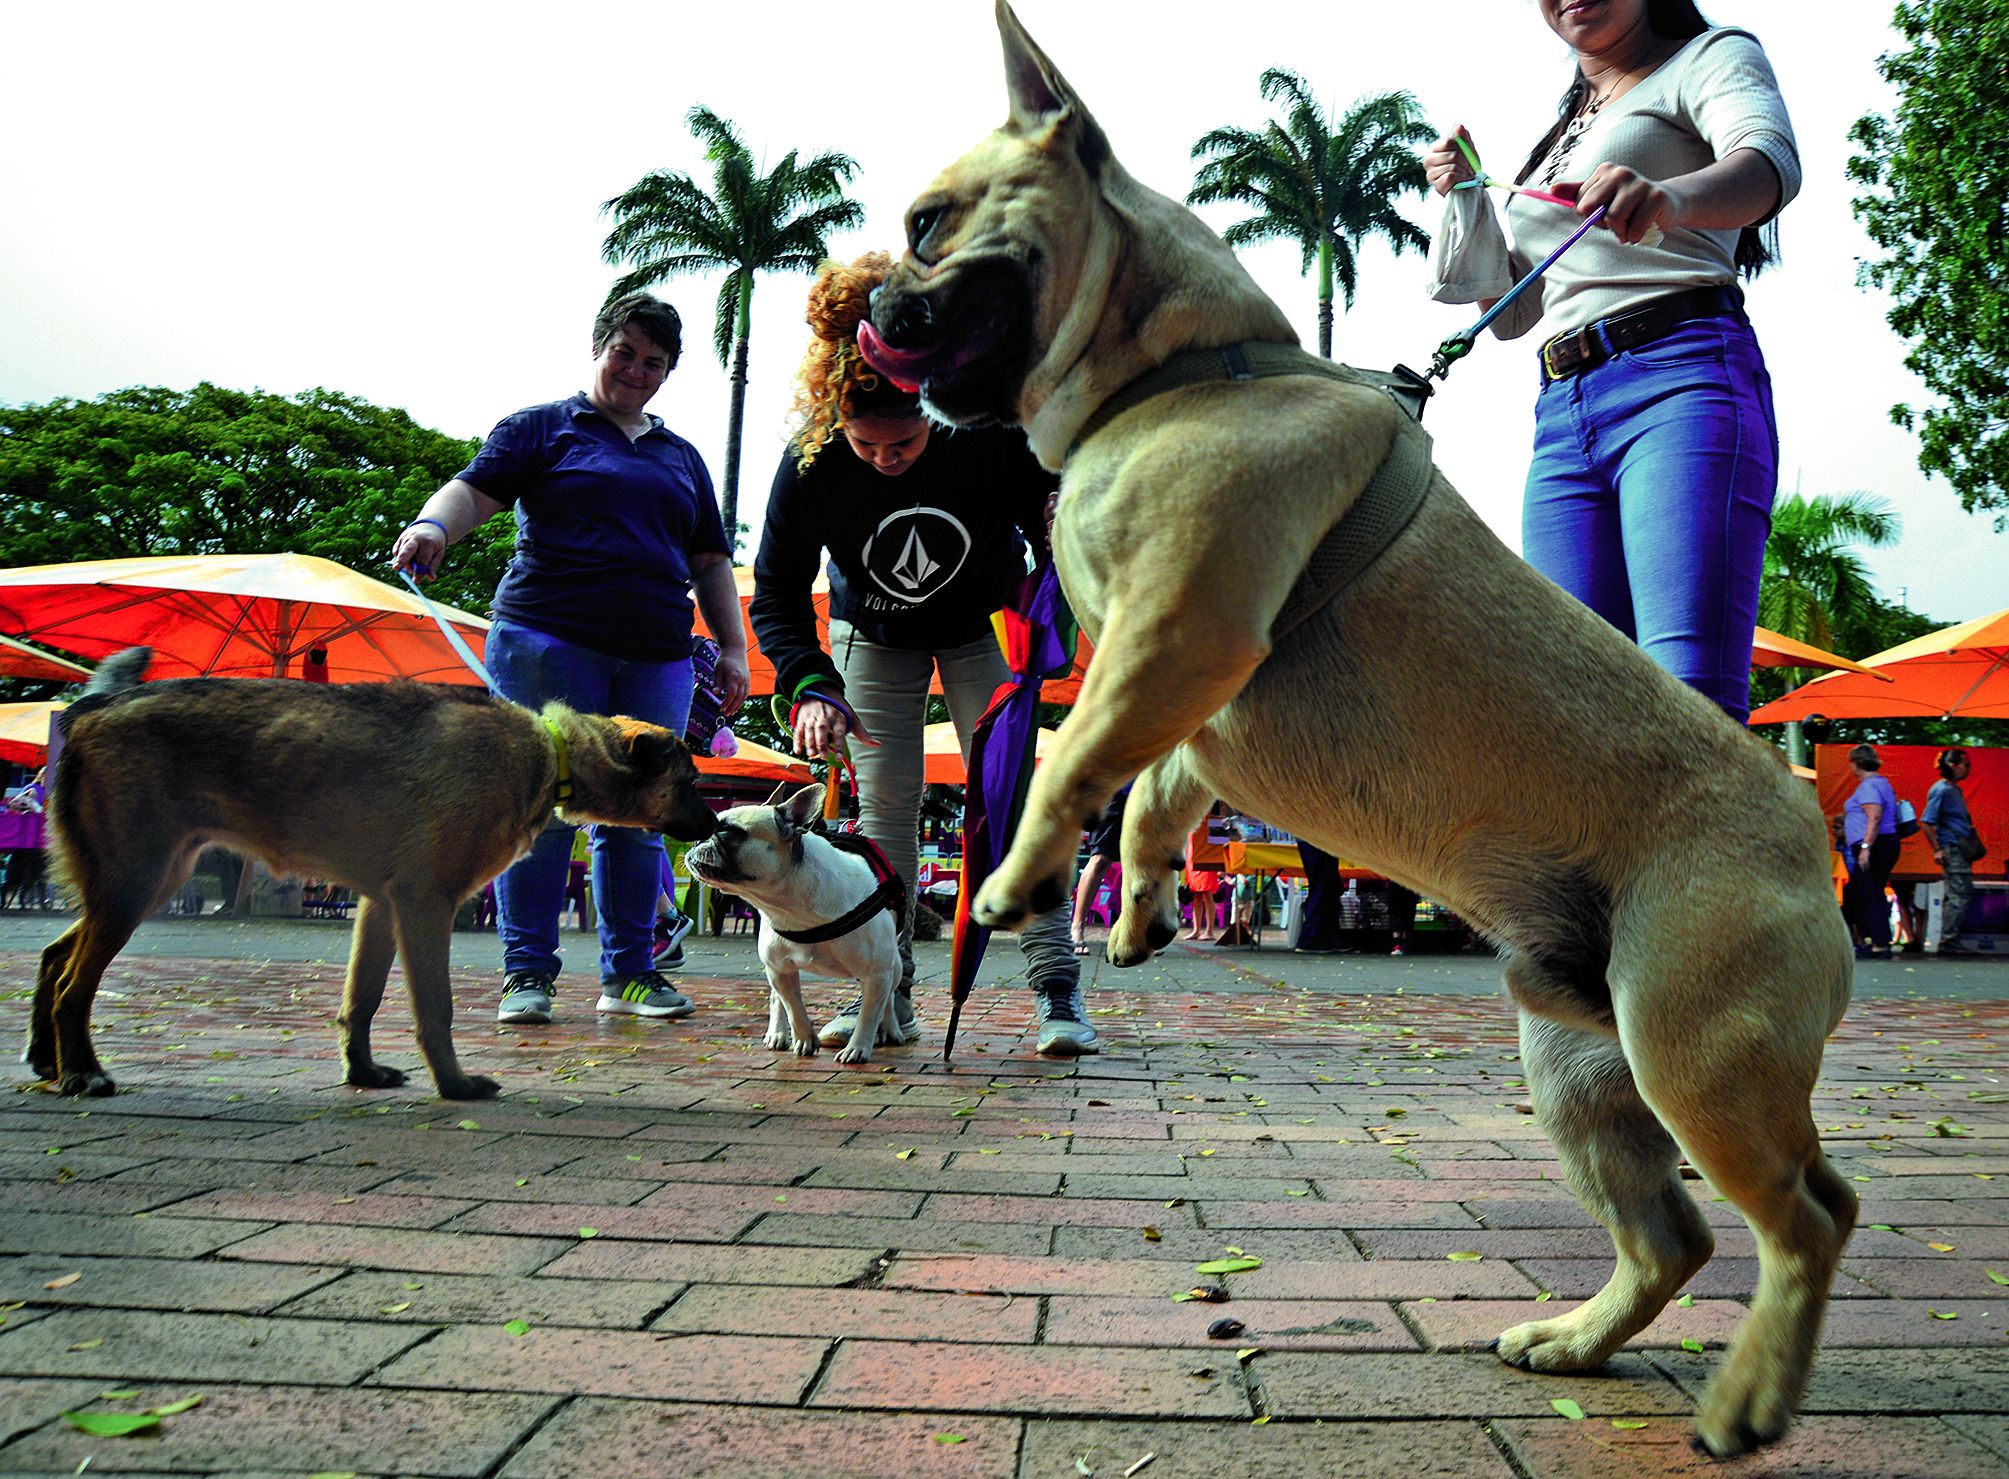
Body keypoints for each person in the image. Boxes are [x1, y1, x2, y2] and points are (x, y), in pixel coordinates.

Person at [750, 252, 1094, 1058]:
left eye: (902, 441)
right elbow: (776, 592)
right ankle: (888, 989)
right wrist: (810, 684)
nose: (885, 458)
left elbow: (1059, 530)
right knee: (884, 815)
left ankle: (1056, 988)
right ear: (836, 423)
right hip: (873, 636)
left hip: (981, 627)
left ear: (932, 410)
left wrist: (1062, 528)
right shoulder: (809, 462)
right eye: (865, 445)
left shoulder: (987, 435)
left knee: (1012, 803)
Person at [1423, 0, 1798, 725]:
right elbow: (1513, 316)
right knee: (1577, 715)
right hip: (1562, 417)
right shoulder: (1564, 130)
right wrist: (1468, 195)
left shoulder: (1708, 57)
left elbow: (1768, 165)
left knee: (1689, 703)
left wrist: (1667, 199)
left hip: (1679, 380)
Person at [390, 292, 749, 1026]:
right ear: (598, 348)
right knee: (539, 803)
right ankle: (526, 972)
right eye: (625, 353)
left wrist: (735, 647)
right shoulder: (542, 427)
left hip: (656, 655)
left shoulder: (680, 456)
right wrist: (432, 527)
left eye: (654, 362)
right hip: (545, 642)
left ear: (668, 372)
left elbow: (710, 561)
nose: (636, 371)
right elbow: (472, 492)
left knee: (645, 810)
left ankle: (633, 973)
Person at [1841, 743, 1901, 961]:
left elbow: (1874, 817)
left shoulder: (1869, 786)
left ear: (1857, 762)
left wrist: (1865, 848)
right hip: (1884, 843)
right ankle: (1871, 939)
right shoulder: (1882, 783)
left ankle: (1878, 943)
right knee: (1858, 891)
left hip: (1874, 845)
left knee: (1868, 892)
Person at [1922, 747, 1980, 958]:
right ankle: (1949, 940)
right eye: (1966, 764)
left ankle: (1950, 939)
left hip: (1959, 849)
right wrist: (1937, 849)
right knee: (1960, 894)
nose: (1968, 769)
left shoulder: (1954, 790)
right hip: (1952, 849)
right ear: (1953, 766)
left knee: (1958, 893)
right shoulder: (1942, 790)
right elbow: (1926, 821)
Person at [1072, 784, 1129, 954]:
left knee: (1138, 864)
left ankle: (1135, 934)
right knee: (1100, 859)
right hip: (1113, 788)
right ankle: (1077, 926)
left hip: (1145, 788)